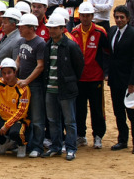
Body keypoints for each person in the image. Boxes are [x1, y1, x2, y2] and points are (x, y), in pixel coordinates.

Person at [43, 14, 84, 161]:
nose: (51, 31)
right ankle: (56, 147)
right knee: (53, 120)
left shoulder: (71, 45)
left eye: (55, 28)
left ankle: (71, 148)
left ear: (62, 29)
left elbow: (79, 66)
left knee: (69, 121)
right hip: (50, 88)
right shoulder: (48, 45)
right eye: (50, 28)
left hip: (66, 89)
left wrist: (70, 80)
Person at [70, 2, 107, 149]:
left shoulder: (100, 32)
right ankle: (81, 135)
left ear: (92, 16)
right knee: (80, 108)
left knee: (97, 108)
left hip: (96, 76)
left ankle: (98, 136)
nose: (85, 18)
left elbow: (107, 53)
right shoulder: (74, 32)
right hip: (79, 78)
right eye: (83, 15)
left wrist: (105, 71)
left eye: (88, 15)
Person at [15, 13, 47, 157]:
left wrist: (27, 80)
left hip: (34, 86)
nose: (19, 29)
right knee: (24, 116)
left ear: (30, 27)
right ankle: (26, 144)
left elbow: (40, 66)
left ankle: (37, 147)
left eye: (22, 26)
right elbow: (18, 60)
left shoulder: (40, 43)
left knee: (37, 118)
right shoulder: (23, 41)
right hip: (22, 84)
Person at [107, 5, 134, 152]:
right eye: (117, 17)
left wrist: (132, 83)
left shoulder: (133, 34)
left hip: (128, 81)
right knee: (118, 112)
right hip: (115, 79)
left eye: (122, 17)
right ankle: (122, 140)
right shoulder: (112, 31)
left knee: (132, 114)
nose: (119, 20)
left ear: (128, 19)